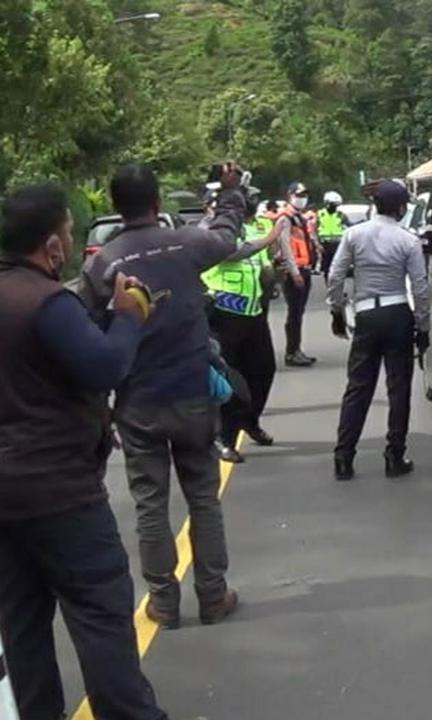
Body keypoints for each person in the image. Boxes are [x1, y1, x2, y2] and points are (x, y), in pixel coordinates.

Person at [0, 185, 169, 719]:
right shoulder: (46, 301)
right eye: (71, 235)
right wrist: (127, 316)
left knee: (22, 624)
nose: (71, 245)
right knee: (99, 611)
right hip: (60, 492)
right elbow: (104, 367)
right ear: (51, 246)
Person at [79, 163, 243, 629]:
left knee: (150, 502)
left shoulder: (101, 263)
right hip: (192, 393)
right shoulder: (188, 244)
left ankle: (163, 603)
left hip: (137, 401)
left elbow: (87, 327)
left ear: (115, 206)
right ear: (157, 203)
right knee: (203, 497)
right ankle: (213, 596)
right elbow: (227, 236)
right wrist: (230, 194)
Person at [326, 180, 431, 481]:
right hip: (398, 312)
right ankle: (394, 455)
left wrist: (336, 309)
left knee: (358, 388)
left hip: (366, 314)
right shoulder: (408, 240)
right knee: (398, 389)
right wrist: (423, 326)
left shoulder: (354, 234)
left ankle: (344, 457)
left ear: (375, 205)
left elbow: (335, 275)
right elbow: (420, 288)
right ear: (400, 209)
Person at [203, 191, 304, 464]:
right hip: (222, 313)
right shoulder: (207, 232)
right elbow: (233, 254)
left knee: (264, 370)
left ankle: (250, 420)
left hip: (253, 312)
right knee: (230, 380)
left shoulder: (251, 229)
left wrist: (275, 272)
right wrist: (269, 239)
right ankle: (224, 438)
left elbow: (263, 264)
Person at [276, 182, 320, 367]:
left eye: (304, 195)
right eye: (298, 195)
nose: (302, 199)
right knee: (294, 314)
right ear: (289, 196)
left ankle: (296, 350)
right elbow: (285, 246)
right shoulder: (285, 218)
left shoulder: (299, 218)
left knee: (298, 313)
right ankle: (292, 352)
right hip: (294, 272)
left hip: (304, 268)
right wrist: (294, 272)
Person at [317, 190, 350, 279]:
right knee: (326, 269)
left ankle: (338, 289)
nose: (334, 207)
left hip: (338, 245)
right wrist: (317, 244)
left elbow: (349, 227)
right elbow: (313, 230)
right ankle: (330, 288)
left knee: (338, 268)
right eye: (333, 204)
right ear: (327, 203)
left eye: (336, 205)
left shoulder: (341, 215)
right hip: (325, 246)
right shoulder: (320, 215)